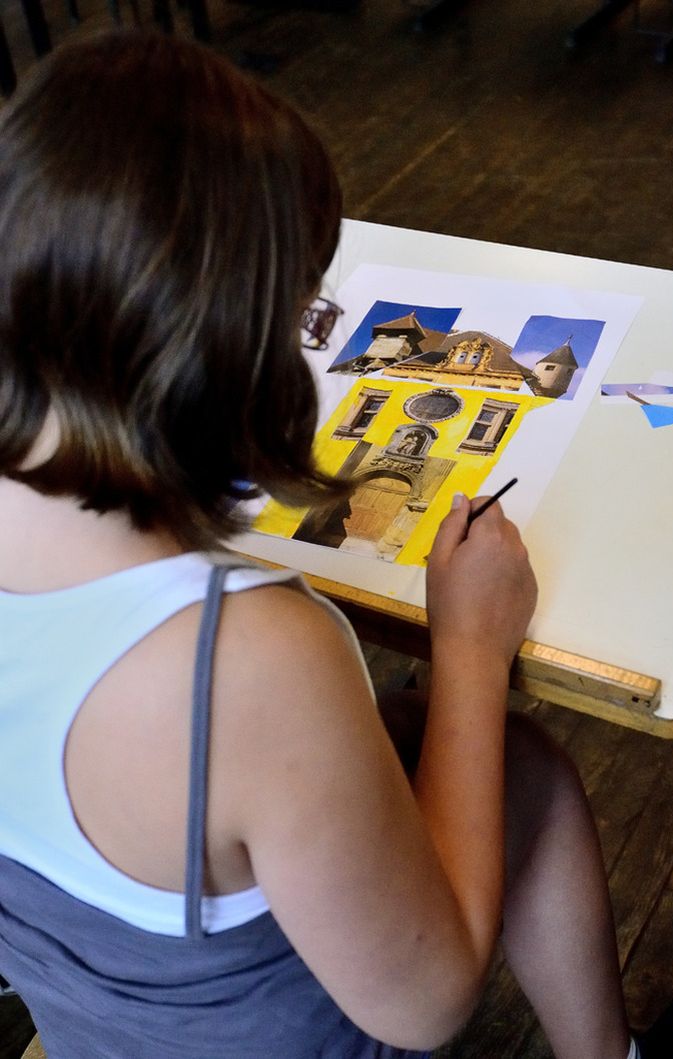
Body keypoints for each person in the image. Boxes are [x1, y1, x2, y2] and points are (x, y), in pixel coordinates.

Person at [0, 29, 640, 1059]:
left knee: (480, 760)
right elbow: (428, 1003)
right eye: (300, 317)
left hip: (93, 1015)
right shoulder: (251, 657)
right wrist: (472, 649)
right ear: (224, 342)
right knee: (508, 760)